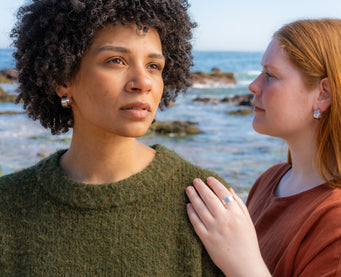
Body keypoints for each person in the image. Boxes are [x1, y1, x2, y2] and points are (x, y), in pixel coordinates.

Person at [0, 0, 226, 276]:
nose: (143, 82)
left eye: (154, 65)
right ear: (62, 77)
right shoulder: (7, 205)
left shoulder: (205, 201)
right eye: (116, 61)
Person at [186, 18, 341, 276]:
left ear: (323, 94)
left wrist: (242, 263)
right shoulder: (271, 180)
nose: (253, 85)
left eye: (270, 75)